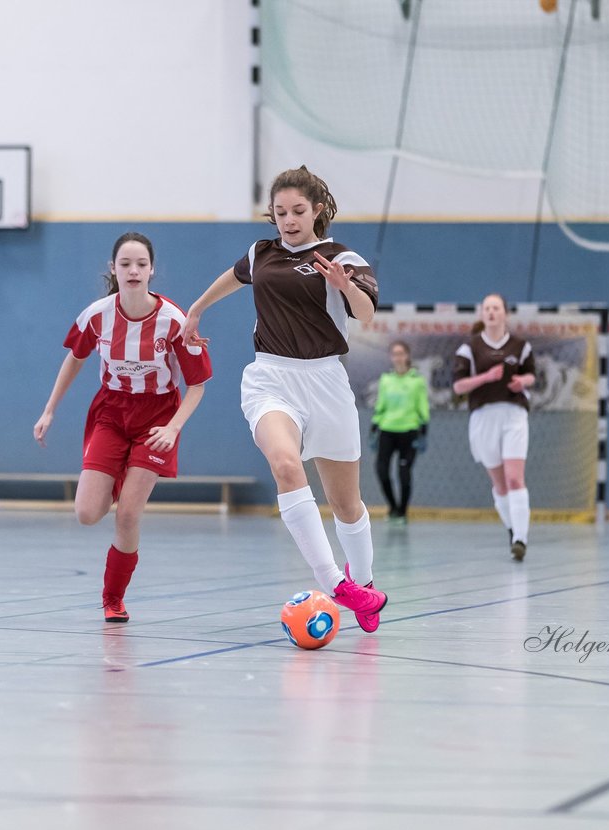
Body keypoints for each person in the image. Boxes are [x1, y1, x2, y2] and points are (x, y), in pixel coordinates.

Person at [181, 165, 389, 632]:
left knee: (347, 504)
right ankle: (336, 583)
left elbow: (368, 315)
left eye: (298, 211)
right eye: (280, 212)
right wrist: (196, 309)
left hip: (326, 382)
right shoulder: (262, 253)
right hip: (271, 377)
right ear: (271, 216)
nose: (289, 220)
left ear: (317, 210)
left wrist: (344, 285)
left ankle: (364, 581)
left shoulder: (342, 257)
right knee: (285, 465)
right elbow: (234, 277)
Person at [34, 233, 211, 622]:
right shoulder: (97, 315)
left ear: (152, 270)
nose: (133, 271)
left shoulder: (175, 321)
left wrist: (174, 428)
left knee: (128, 514)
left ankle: (113, 599)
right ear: (113, 268)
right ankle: (114, 475)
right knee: (86, 513)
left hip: (158, 417)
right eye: (125, 264)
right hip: (112, 412)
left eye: (141, 264)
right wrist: (49, 411)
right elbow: (74, 359)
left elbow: (198, 384)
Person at [452, 294, 536, 562]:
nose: (491, 312)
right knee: (500, 485)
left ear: (505, 314)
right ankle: (513, 528)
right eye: (486, 308)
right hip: (483, 417)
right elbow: (458, 386)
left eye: (496, 308)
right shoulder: (469, 348)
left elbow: (532, 375)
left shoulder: (521, 346)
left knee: (514, 478)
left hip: (513, 414)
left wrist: (522, 381)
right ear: (481, 314)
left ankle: (521, 539)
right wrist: (487, 377)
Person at [370, 340, 429, 525]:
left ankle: (402, 511)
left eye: (401, 353)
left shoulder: (416, 381)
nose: (398, 357)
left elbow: (423, 406)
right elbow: (381, 405)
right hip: (387, 429)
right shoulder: (386, 379)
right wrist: (374, 425)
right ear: (391, 357)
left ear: (407, 356)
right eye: (394, 353)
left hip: (408, 430)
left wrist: (423, 429)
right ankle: (393, 507)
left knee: (404, 472)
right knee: (381, 471)